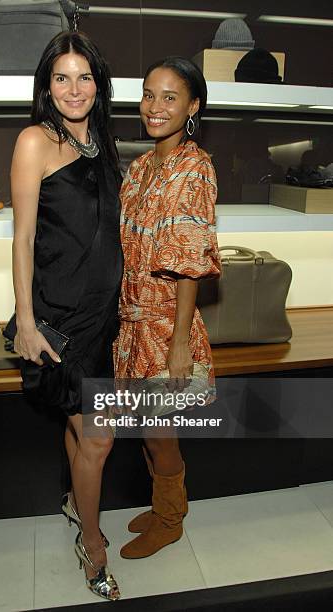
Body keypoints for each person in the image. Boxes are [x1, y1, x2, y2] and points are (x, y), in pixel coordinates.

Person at [10, 32, 122, 600]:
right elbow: (23, 238)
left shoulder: (104, 143)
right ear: (46, 86)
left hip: (104, 316)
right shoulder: (35, 141)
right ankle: (94, 544)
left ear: (97, 83)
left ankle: (78, 504)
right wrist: (26, 322)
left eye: (84, 77)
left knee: (80, 429)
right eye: (61, 77)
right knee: (98, 439)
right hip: (60, 317)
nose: (74, 89)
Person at [115, 57, 221, 559]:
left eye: (170, 97)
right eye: (148, 95)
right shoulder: (139, 167)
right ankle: (161, 506)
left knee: (161, 433)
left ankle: (171, 519)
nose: (155, 108)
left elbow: (188, 261)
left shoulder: (195, 169)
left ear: (193, 106)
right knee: (143, 425)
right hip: (131, 323)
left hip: (164, 327)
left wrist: (180, 342)